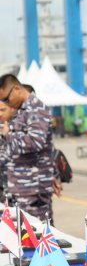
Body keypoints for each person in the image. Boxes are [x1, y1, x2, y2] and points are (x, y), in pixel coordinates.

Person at [0, 74, 55, 222]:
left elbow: (36, 141)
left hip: (32, 191)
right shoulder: (21, 110)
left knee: (35, 237)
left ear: (16, 89)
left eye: (6, 99)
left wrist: (8, 136)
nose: (6, 103)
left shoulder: (36, 108)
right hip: (17, 189)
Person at [0, 101, 16, 203]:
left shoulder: (19, 129)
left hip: (18, 191)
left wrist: (5, 136)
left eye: (3, 110)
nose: (0, 114)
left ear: (12, 109)